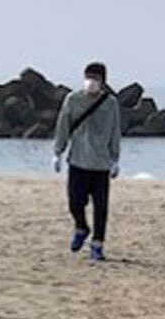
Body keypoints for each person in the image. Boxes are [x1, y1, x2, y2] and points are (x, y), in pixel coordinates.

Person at [52, 61, 121, 261]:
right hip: (77, 161)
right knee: (75, 202)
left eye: (96, 78)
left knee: (101, 208)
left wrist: (115, 159)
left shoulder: (110, 103)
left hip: (101, 164)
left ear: (103, 81)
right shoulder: (72, 100)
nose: (92, 81)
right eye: (89, 77)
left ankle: (97, 244)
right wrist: (58, 152)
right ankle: (81, 227)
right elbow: (63, 125)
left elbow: (115, 131)